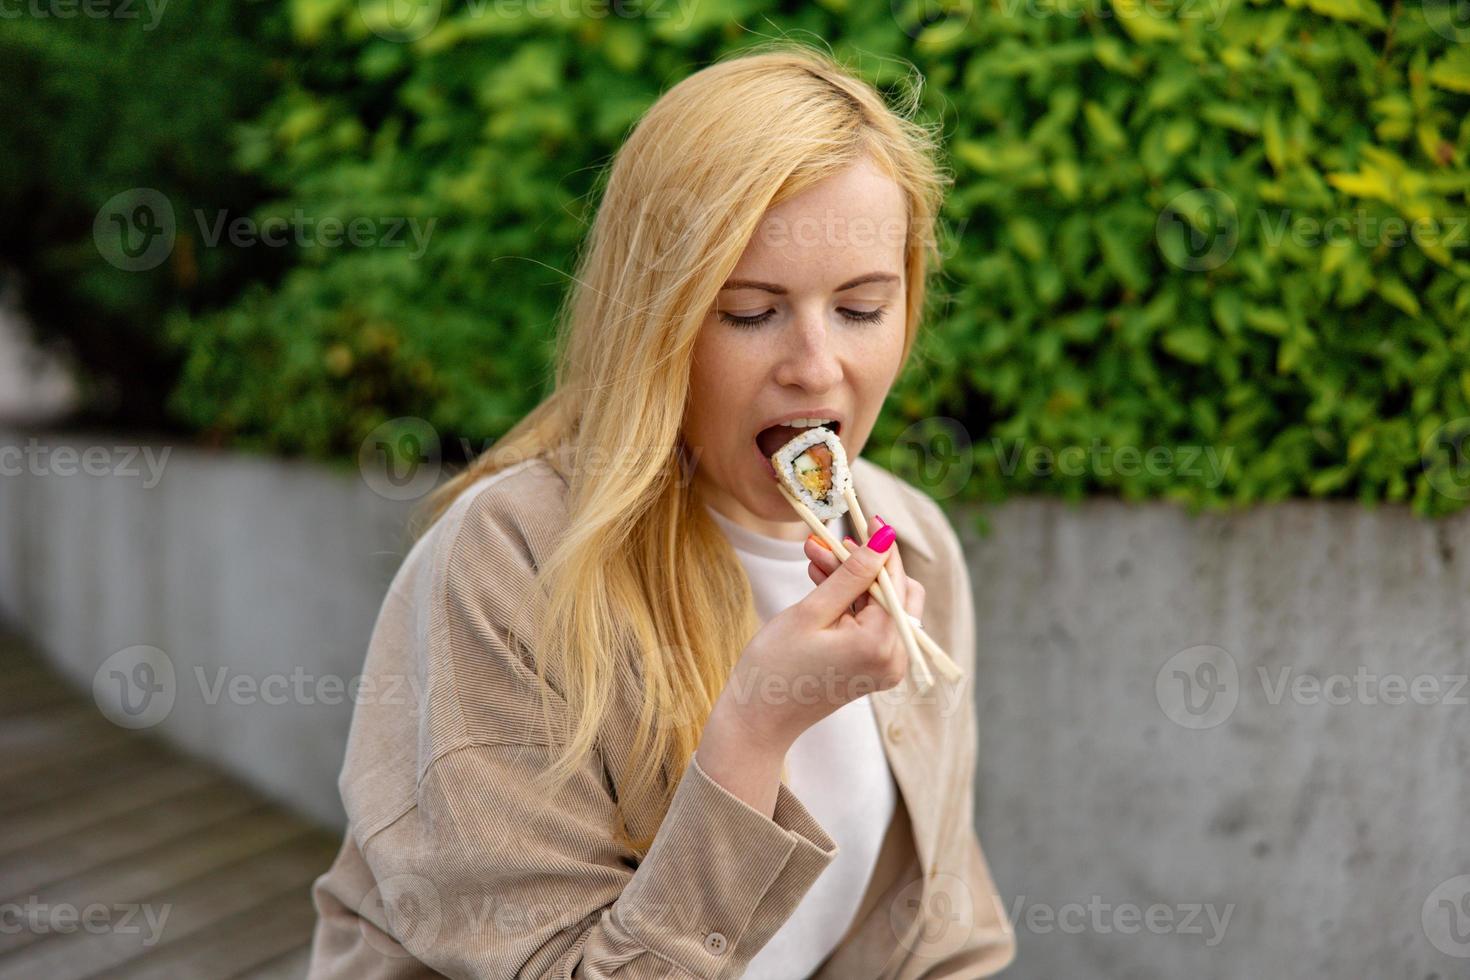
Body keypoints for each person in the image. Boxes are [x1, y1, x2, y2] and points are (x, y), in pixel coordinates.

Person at [306, 41, 1015, 979]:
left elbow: (941, 930)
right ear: (656, 320)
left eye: (861, 308)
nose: (815, 365)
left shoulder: (911, 549)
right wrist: (756, 728)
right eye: (751, 312)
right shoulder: (505, 565)